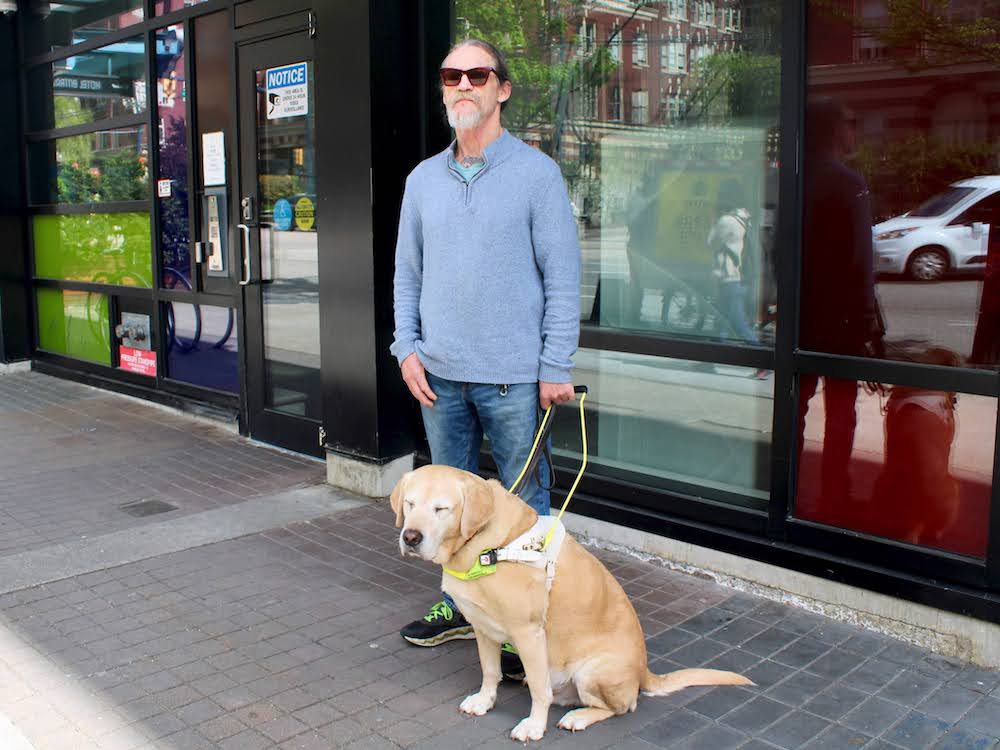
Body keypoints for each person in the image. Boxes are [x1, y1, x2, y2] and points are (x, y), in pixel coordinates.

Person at [390, 38, 581, 680]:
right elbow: (406, 275)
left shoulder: (537, 174)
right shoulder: (421, 180)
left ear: (501, 89)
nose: (463, 84)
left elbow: (562, 277)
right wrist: (406, 349)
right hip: (438, 376)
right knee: (444, 504)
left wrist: (556, 364)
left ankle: (533, 620)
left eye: (478, 74)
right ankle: (460, 606)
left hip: (513, 380)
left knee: (524, 504)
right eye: (452, 75)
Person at [797, 97, 884, 502]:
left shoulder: (796, 179)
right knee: (841, 412)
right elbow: (859, 261)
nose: (855, 131)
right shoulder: (849, 183)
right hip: (840, 322)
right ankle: (835, 488)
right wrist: (868, 322)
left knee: (795, 409)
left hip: (801, 316)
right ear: (835, 130)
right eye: (851, 122)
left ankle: (789, 486)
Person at [708, 179, 768, 378]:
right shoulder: (745, 218)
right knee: (722, 320)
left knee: (738, 323)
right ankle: (710, 360)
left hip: (730, 279)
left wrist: (712, 220)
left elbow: (710, 242)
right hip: (740, 278)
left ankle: (762, 362)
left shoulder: (726, 221)